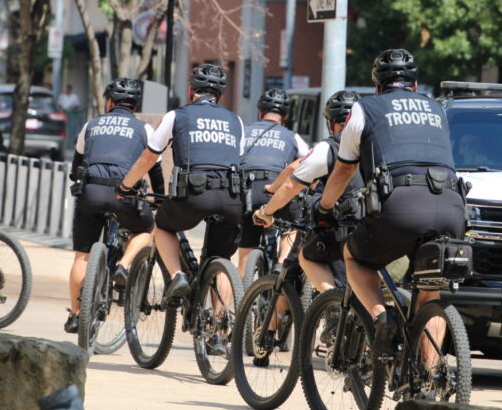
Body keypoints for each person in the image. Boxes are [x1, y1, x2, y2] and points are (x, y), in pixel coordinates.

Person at [315, 49, 465, 354]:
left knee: (355, 257)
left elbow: (344, 168)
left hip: (401, 207)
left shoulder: (365, 107)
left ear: (378, 86)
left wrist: (324, 208)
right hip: (451, 208)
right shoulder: (437, 108)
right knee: (429, 289)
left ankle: (381, 316)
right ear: (415, 84)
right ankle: (429, 380)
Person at [117, 63, 244, 335]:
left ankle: (177, 276)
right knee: (220, 258)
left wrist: (125, 185)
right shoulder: (236, 120)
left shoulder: (177, 116)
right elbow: (239, 159)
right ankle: (219, 330)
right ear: (220, 95)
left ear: (190, 91)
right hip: (232, 198)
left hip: (193, 195)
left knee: (163, 225)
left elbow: (149, 157)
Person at [63, 78, 165, 334]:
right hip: (125, 194)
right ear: (134, 105)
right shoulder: (144, 129)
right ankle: (124, 265)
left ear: (110, 101)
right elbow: (155, 170)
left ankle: (75, 315)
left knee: (82, 255)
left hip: (92, 192)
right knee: (146, 230)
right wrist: (159, 199)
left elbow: (76, 169)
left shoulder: (91, 125)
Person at [253, 90, 361, 294]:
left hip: (341, 227)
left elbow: (291, 183)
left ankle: (332, 302)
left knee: (306, 257)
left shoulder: (329, 148)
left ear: (330, 123)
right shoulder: (373, 145)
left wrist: (266, 212)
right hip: (374, 225)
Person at [212, 88, 309, 279]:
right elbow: (308, 161)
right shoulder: (292, 137)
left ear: (260, 112)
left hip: (247, 192)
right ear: (285, 116)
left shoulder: (244, 131)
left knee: (246, 251)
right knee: (292, 225)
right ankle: (281, 262)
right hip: (276, 192)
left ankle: (244, 294)